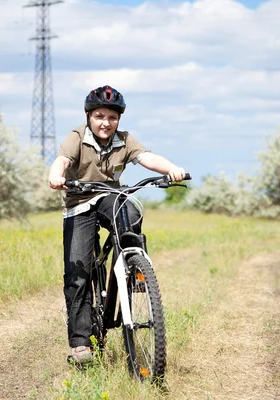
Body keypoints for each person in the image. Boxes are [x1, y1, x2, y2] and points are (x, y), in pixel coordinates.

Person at [48, 85, 185, 365]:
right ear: (89, 116)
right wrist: (56, 175)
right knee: (78, 273)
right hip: (78, 202)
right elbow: (61, 160)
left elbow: (146, 158)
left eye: (112, 117)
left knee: (130, 210)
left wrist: (171, 168)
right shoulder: (77, 137)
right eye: (99, 116)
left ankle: (132, 268)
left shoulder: (124, 140)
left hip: (109, 196)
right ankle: (81, 344)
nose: (105, 123)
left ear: (118, 119)